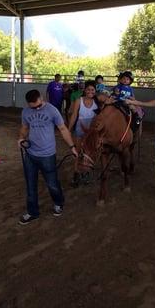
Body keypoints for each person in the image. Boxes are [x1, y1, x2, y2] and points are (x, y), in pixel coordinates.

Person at [17, 89, 78, 225]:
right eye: (33, 107)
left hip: (47, 154)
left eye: (38, 106)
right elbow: (25, 127)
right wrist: (21, 138)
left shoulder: (52, 110)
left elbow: (62, 129)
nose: (36, 108)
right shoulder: (26, 111)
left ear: (42, 98)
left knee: (52, 183)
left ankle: (58, 202)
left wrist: (72, 147)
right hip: (30, 154)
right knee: (30, 185)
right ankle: (33, 212)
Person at [68, 80, 98, 187]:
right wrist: (68, 129)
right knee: (78, 152)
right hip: (80, 129)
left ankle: (87, 172)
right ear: (85, 90)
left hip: (91, 132)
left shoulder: (97, 102)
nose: (90, 91)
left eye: (93, 90)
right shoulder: (78, 100)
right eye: (88, 89)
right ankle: (76, 173)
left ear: (95, 91)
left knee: (89, 153)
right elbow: (74, 115)